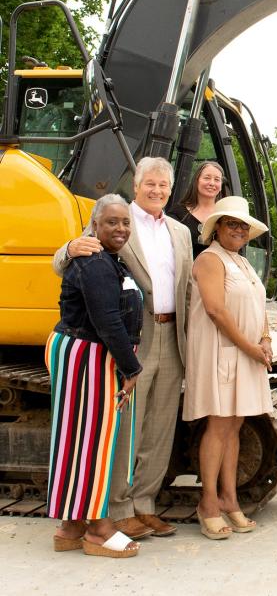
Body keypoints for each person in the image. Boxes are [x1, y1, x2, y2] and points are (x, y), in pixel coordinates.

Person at [54, 157, 192, 540]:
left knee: (159, 429)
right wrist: (67, 248)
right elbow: (65, 259)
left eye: (163, 186)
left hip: (171, 336)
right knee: (126, 428)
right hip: (129, 339)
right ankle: (117, 508)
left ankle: (145, 505)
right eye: (150, 183)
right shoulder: (115, 217)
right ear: (137, 185)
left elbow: (187, 289)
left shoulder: (179, 231)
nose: (157, 191)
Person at [47, 195, 143, 558]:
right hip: (87, 354)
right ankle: (99, 530)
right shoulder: (94, 261)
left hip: (87, 353)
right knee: (93, 445)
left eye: (125, 222)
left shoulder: (107, 259)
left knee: (79, 442)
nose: (120, 229)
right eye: (112, 222)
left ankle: (71, 526)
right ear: (95, 225)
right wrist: (130, 368)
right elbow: (106, 320)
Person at [183, 196, 273, 539]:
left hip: (245, 354)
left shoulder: (242, 263)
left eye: (242, 225)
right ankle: (208, 502)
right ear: (217, 227)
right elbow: (216, 311)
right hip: (222, 353)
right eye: (231, 223)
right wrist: (251, 347)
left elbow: (258, 306)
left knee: (234, 426)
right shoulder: (210, 259)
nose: (238, 229)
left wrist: (264, 338)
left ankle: (229, 497)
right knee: (218, 426)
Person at [166, 161, 228, 258]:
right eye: (207, 178)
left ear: (221, 185)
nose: (212, 183)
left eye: (217, 179)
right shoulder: (177, 213)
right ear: (196, 180)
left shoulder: (226, 216)